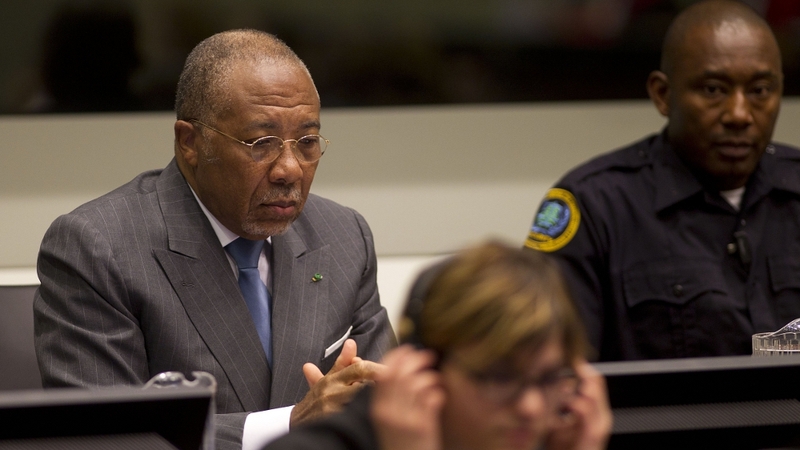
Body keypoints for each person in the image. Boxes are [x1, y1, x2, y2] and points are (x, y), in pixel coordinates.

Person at [33, 29, 395, 450]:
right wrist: (289, 424)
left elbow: (386, 407)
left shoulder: (343, 235)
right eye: (262, 143)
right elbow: (104, 436)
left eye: (308, 142)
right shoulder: (97, 247)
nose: (290, 169)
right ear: (191, 142)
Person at [524, 0, 800, 361]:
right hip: (666, 419)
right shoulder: (596, 206)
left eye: (760, 91)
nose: (739, 114)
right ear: (662, 95)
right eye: (714, 90)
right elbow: (548, 373)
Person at [265, 241, 612, 450]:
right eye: (500, 379)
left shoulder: (558, 439)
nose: (532, 408)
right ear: (426, 371)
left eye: (550, 379)